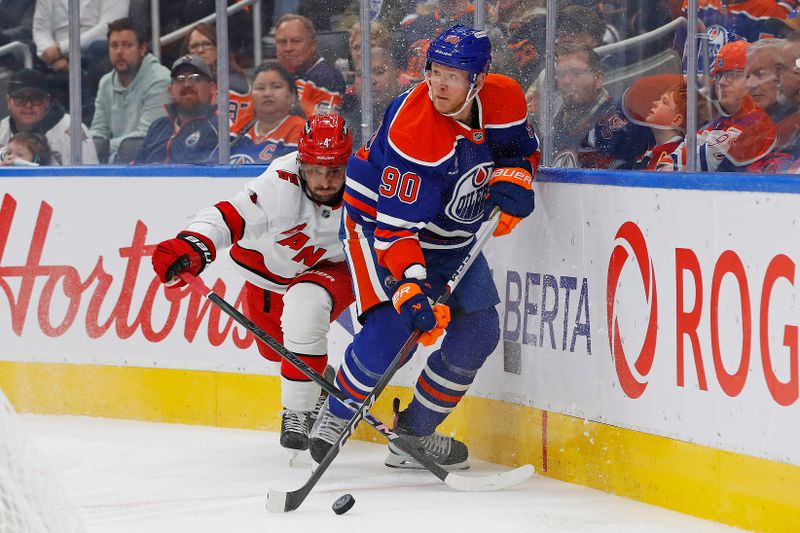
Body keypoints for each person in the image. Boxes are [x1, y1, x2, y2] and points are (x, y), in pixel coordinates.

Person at [309, 25, 540, 470]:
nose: (438, 83)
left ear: (479, 79)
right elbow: (395, 235)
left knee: (479, 333)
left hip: (451, 234)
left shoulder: (504, 96)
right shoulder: (415, 132)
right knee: (395, 331)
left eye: (453, 74)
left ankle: (413, 434)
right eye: (434, 70)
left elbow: (517, 151)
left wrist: (518, 175)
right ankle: (337, 415)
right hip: (376, 225)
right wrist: (410, 287)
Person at [150, 114, 355, 456]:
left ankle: (297, 411)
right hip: (269, 278)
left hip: (334, 271)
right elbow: (228, 216)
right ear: (301, 162)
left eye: (334, 170)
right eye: (315, 169)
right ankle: (317, 385)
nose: (323, 181)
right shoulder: (278, 187)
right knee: (276, 348)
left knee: (306, 308)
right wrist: (192, 245)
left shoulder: (365, 181)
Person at [90, 17, 171, 163]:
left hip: (150, 164)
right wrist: (94, 146)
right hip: (113, 160)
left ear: (142, 49)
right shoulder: (105, 83)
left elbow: (146, 138)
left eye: (127, 45)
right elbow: (98, 132)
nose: (119, 52)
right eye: (114, 46)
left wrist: (103, 147)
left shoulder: (160, 79)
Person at [0, 68, 98, 165]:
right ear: (9, 101)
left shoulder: (74, 129)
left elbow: (91, 177)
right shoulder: (2, 130)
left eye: (36, 98)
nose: (28, 105)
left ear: (47, 101)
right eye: (20, 99)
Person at [134, 55, 218, 164]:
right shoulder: (158, 126)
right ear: (170, 90)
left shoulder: (220, 127)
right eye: (180, 79)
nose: (187, 84)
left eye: (195, 78)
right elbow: (135, 168)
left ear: (212, 89)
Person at [223, 62, 305, 165]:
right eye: (260, 88)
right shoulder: (240, 127)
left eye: (276, 87)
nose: (267, 94)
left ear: (292, 95)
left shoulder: (301, 131)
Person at [274, 14, 345, 117]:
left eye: (296, 41)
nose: (288, 48)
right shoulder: (275, 75)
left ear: (312, 45)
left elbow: (324, 128)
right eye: (282, 42)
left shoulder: (326, 77)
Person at [183, 22, 252, 125]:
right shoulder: (184, 85)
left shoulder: (233, 82)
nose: (200, 50)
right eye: (194, 46)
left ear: (218, 47)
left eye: (207, 44)